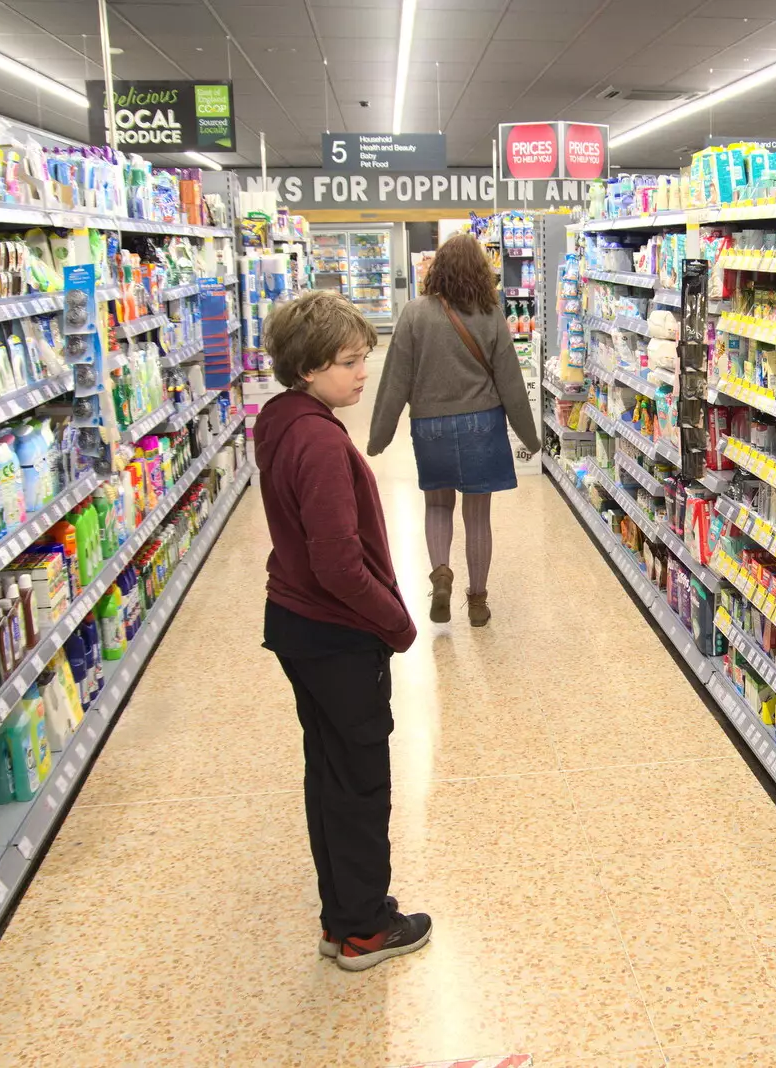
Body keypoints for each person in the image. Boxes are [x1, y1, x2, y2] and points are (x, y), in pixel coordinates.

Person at [255, 290, 431, 971]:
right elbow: (337, 563)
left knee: (328, 773)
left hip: (297, 624)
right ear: (308, 366)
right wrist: (396, 622)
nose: (364, 373)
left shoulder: (280, 419)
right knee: (361, 782)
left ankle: (340, 916)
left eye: (364, 359)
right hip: (335, 633)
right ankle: (364, 928)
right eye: (350, 362)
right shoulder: (319, 441)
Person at [367, 232, 541, 627]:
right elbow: (511, 383)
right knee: (477, 517)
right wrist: (530, 439)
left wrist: (379, 437)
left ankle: (441, 575)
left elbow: (396, 380)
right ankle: (477, 601)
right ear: (481, 273)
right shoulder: (491, 315)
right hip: (482, 424)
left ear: (437, 270)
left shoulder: (413, 313)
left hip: (430, 427)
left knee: (438, 506)